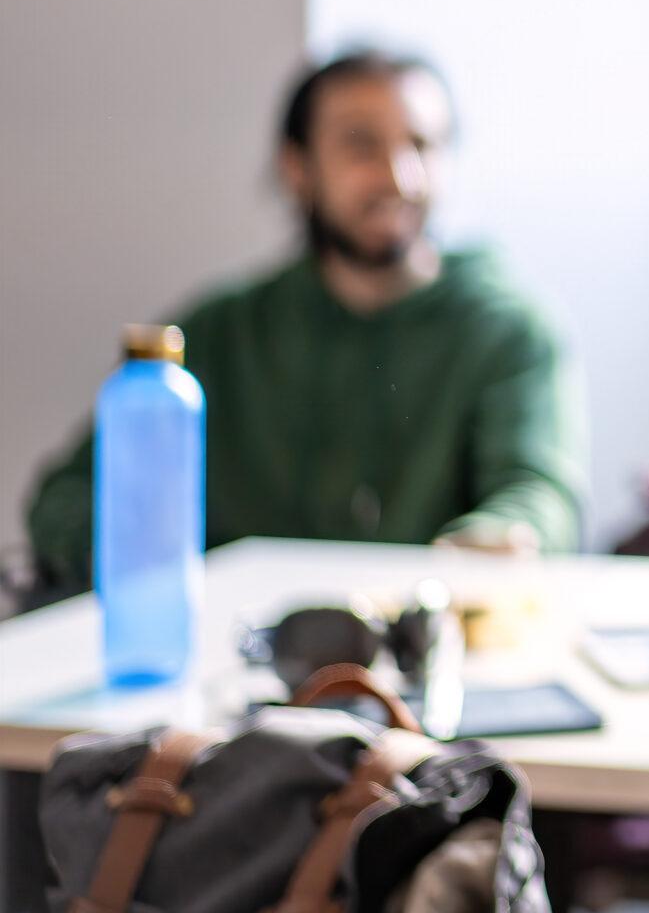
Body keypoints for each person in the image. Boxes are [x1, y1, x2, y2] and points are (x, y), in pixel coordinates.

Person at [25, 48, 585, 588]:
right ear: (298, 167)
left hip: (425, 660)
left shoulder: (508, 332)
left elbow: (538, 495)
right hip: (236, 660)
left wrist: (498, 544)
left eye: (422, 145)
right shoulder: (223, 332)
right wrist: (161, 563)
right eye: (361, 146)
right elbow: (68, 496)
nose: (400, 177)